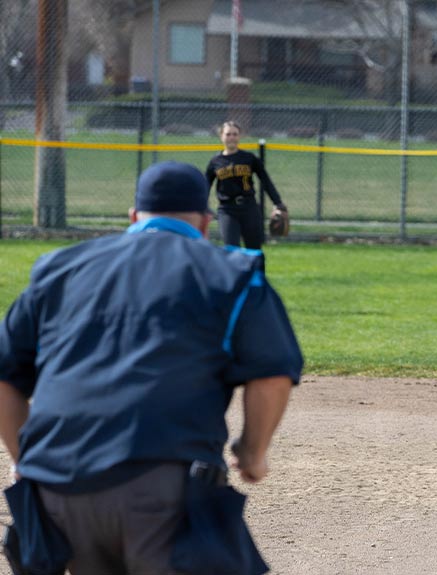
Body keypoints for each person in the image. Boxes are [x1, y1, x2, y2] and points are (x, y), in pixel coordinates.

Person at [0, 161, 303, 574]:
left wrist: (28, 458)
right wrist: (251, 453)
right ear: (205, 222)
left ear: (133, 217)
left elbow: (4, 377)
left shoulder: (58, 270)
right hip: (161, 486)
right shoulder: (232, 271)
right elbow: (271, 375)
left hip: (56, 489)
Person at [206, 121, 288, 249]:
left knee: (254, 249)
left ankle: (256, 270)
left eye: (235, 134)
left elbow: (266, 181)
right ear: (221, 136)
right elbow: (206, 186)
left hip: (249, 208)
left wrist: (278, 203)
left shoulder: (249, 158)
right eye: (228, 134)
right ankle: (235, 270)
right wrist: (202, 207)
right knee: (232, 248)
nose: (231, 137)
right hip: (227, 210)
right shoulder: (215, 161)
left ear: (239, 136)